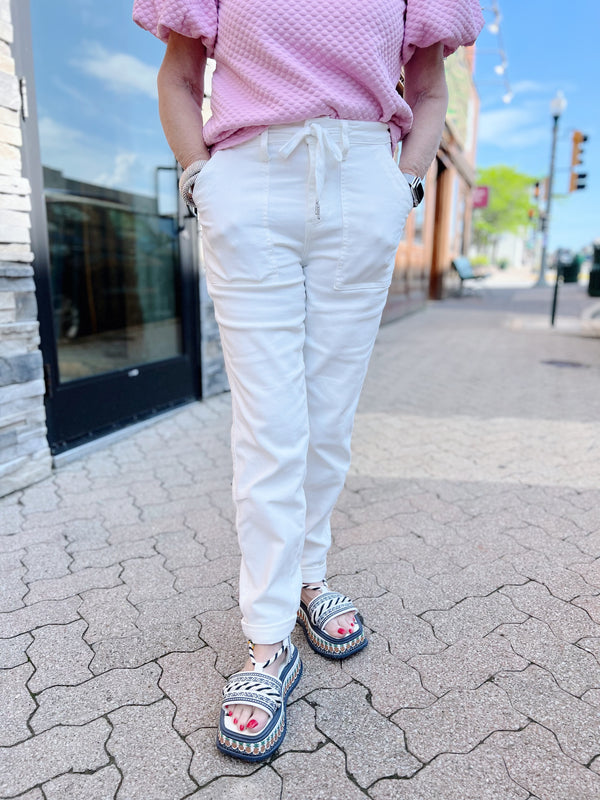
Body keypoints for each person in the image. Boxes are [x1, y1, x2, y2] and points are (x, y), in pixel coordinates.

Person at [133, 0, 484, 762]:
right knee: (270, 424)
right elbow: (181, 76)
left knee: (328, 418)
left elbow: (428, 90)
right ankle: (266, 643)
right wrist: (202, 181)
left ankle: (309, 577)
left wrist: (406, 187)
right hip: (251, 183)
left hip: (364, 183)